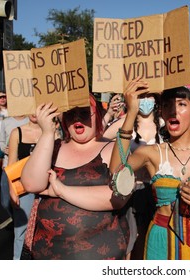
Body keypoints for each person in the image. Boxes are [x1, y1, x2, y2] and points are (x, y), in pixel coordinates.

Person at [109, 79, 190, 260]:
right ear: (162, 113)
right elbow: (116, 173)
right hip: (160, 240)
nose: (173, 110)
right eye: (167, 105)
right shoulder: (151, 153)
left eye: (181, 104)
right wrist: (131, 112)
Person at [21, 94, 130, 259]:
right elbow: (31, 184)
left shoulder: (113, 149)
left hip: (99, 255)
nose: (77, 117)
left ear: (98, 116)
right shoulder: (52, 147)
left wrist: (60, 190)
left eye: (85, 112)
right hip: (47, 255)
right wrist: (47, 133)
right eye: (71, 113)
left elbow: (118, 197)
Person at [104, 92, 162, 259]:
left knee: (150, 238)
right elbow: (99, 140)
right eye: (141, 96)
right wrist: (108, 114)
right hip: (130, 190)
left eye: (149, 96)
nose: (145, 100)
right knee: (129, 240)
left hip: (156, 192)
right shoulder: (125, 123)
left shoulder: (165, 124)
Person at [7, 114, 43, 260]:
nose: (34, 112)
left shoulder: (52, 131)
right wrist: (12, 190)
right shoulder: (16, 132)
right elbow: (11, 164)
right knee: (21, 230)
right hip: (23, 189)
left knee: (43, 228)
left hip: (44, 188)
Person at [0, 115, 29, 217]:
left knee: (22, 201)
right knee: (5, 201)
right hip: (8, 164)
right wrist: (8, 149)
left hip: (25, 166)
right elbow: (2, 142)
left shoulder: (30, 120)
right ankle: (13, 219)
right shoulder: (6, 121)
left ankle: (18, 221)